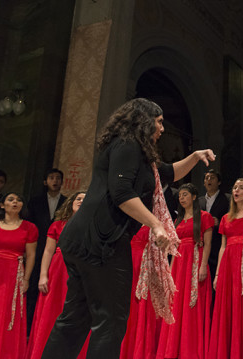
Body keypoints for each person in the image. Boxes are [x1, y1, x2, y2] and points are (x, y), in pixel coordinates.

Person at [42, 98, 216, 359]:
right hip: (102, 241)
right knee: (111, 321)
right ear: (143, 122)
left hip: (85, 239)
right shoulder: (128, 145)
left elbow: (168, 172)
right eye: (158, 122)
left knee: (76, 317)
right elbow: (121, 192)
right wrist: (156, 224)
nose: (162, 128)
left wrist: (194, 156)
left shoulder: (137, 151)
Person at [26, 192, 88, 359]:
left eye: (85, 199)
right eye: (79, 198)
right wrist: (43, 275)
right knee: (52, 310)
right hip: (58, 270)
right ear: (71, 203)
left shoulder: (92, 225)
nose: (82, 201)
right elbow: (48, 251)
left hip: (80, 271)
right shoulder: (58, 225)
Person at [208, 178, 243, 359]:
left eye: (240, 187)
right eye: (234, 187)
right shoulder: (226, 217)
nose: (236, 190)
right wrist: (217, 273)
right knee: (228, 306)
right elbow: (223, 246)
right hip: (228, 264)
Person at [157, 183, 214, 359]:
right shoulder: (178, 221)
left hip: (195, 261)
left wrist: (203, 265)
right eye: (180, 195)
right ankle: (174, 348)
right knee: (177, 305)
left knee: (192, 304)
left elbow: (208, 244)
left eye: (185, 195)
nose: (181, 198)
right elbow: (174, 249)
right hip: (180, 264)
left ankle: (191, 350)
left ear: (194, 197)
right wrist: (170, 272)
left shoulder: (204, 217)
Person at [0, 192, 38, 359]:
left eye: (19, 200)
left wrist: (26, 279)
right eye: (11, 199)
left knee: (7, 313)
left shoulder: (29, 227)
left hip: (14, 273)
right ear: (1, 205)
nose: (15, 202)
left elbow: (31, 255)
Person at [26, 168, 66, 330]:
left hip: (56, 251)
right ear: (45, 181)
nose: (55, 181)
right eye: (51, 178)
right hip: (36, 247)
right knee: (33, 286)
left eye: (58, 178)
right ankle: (30, 326)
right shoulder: (35, 201)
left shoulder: (66, 201)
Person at [119, 226, 159, 359]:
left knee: (140, 306)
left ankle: (138, 349)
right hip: (126, 262)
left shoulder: (153, 222)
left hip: (143, 265)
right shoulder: (127, 222)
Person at [198, 169, 230, 282]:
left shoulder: (227, 198)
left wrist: (220, 222)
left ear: (219, 182)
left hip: (218, 242)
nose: (209, 180)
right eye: (206, 178)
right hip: (202, 244)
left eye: (212, 178)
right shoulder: (198, 201)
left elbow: (231, 217)